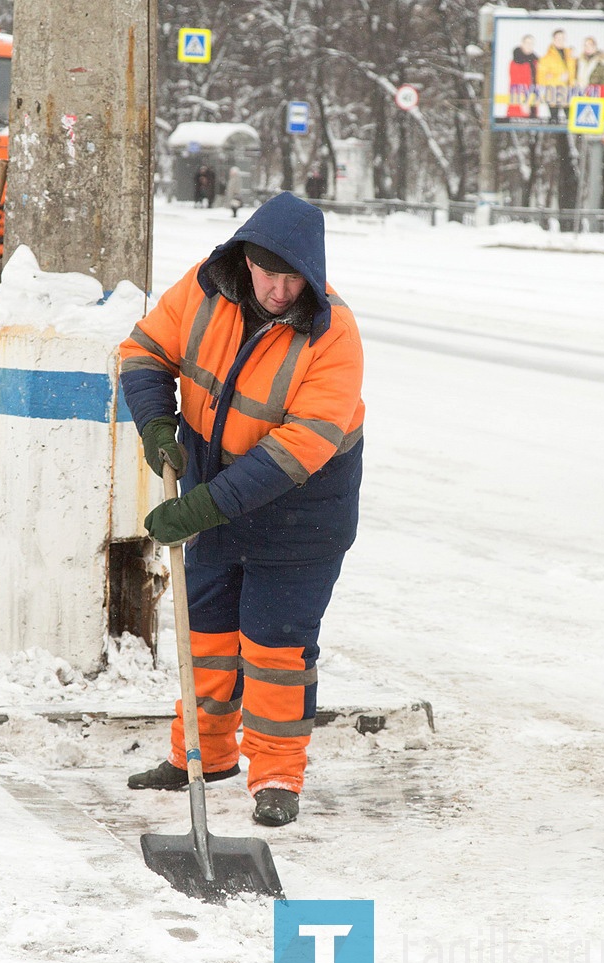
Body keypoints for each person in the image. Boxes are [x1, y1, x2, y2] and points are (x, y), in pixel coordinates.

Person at [118, 193, 364, 827]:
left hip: (301, 511)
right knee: (206, 638)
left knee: (274, 648)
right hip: (214, 493)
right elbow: (144, 351)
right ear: (244, 261)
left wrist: (203, 506)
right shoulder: (206, 292)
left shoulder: (334, 335)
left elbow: (297, 449)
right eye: (267, 273)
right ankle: (201, 756)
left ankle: (277, 776)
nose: (279, 290)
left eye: (293, 278)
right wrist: (154, 426)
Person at [536, 29, 576, 122]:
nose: (560, 41)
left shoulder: (570, 55)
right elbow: (541, 79)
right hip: (553, 93)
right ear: (553, 39)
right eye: (558, 38)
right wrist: (558, 79)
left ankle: (570, 137)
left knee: (571, 120)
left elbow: (572, 73)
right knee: (554, 120)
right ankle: (556, 136)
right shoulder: (546, 58)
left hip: (568, 93)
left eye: (562, 38)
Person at [507, 35, 539, 118]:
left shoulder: (535, 61)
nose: (529, 46)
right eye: (527, 43)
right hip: (520, 104)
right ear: (522, 44)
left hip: (533, 100)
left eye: (531, 43)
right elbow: (516, 83)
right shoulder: (516, 61)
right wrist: (523, 102)